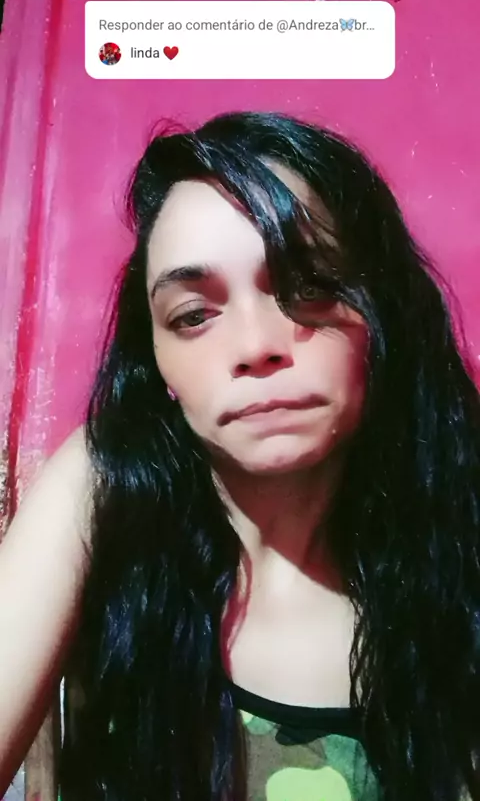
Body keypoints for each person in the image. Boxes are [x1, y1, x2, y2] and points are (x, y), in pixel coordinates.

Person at [0, 111, 479, 801]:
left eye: (309, 286)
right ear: (158, 360)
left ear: (384, 310)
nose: (256, 346)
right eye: (194, 314)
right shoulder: (106, 486)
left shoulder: (460, 539)